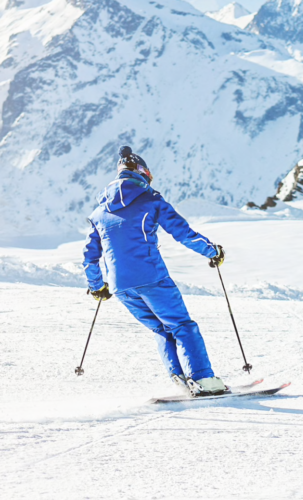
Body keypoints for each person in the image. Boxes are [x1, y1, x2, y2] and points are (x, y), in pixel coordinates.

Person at [83, 145, 226, 396]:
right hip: (151, 278)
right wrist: (212, 251)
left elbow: (90, 257)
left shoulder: (98, 212)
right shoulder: (151, 199)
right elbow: (182, 232)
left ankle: (180, 379)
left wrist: (97, 286)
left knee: (161, 328)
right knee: (182, 326)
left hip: (120, 286)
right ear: (143, 173)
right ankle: (203, 380)